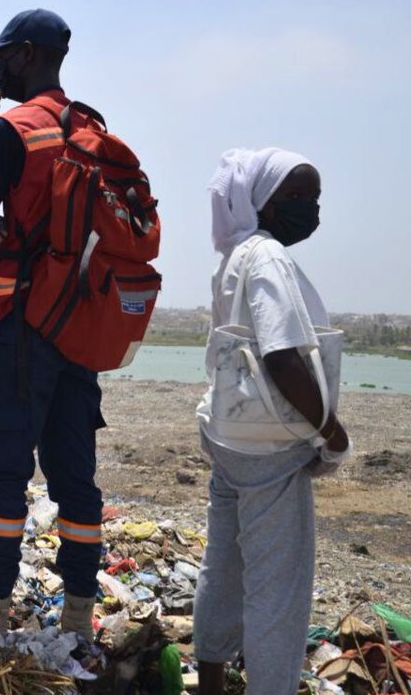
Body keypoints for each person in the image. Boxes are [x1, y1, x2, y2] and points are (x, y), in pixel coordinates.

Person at [0, 9, 104, 645]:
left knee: (6, 476)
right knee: (75, 476)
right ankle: (79, 617)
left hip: (19, 319)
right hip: (79, 320)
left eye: (0, 62)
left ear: (22, 55)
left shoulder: (9, 130)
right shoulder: (92, 128)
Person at [194, 148, 351, 695]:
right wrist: (331, 433)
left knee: (225, 567)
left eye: (315, 197)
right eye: (298, 196)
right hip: (270, 450)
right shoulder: (269, 261)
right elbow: (282, 356)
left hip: (228, 437)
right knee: (277, 593)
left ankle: (210, 678)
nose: (311, 209)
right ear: (262, 200)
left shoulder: (234, 254)